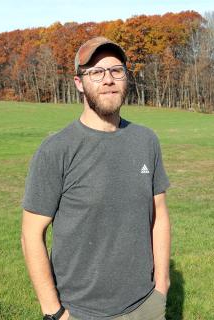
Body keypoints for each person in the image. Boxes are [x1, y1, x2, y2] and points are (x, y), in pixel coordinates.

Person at [21, 36, 171, 320]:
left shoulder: (146, 140)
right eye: (96, 72)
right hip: (80, 312)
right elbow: (31, 234)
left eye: (116, 70)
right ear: (79, 82)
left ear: (126, 78)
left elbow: (159, 214)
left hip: (145, 305)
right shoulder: (57, 150)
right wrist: (54, 312)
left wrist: (162, 285)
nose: (108, 80)